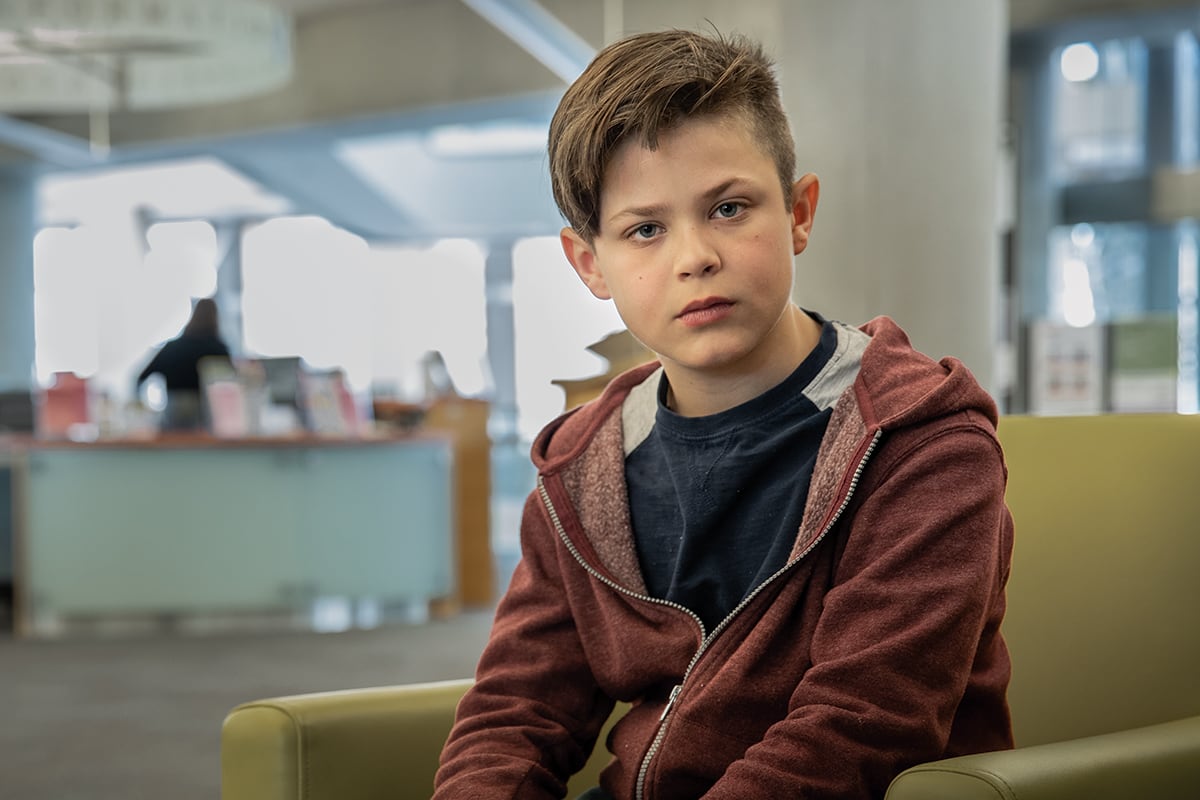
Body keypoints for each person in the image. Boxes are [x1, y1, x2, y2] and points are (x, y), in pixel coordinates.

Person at [434, 29, 1013, 800]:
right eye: (645, 229)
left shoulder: (922, 445)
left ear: (799, 213)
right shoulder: (581, 468)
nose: (695, 257)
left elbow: (861, 726)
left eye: (729, 208)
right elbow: (517, 713)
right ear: (590, 264)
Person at [136, 297, 232, 430]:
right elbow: (232, 385)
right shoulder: (219, 350)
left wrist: (142, 412)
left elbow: (141, 378)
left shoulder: (172, 348)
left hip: (172, 420)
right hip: (207, 422)